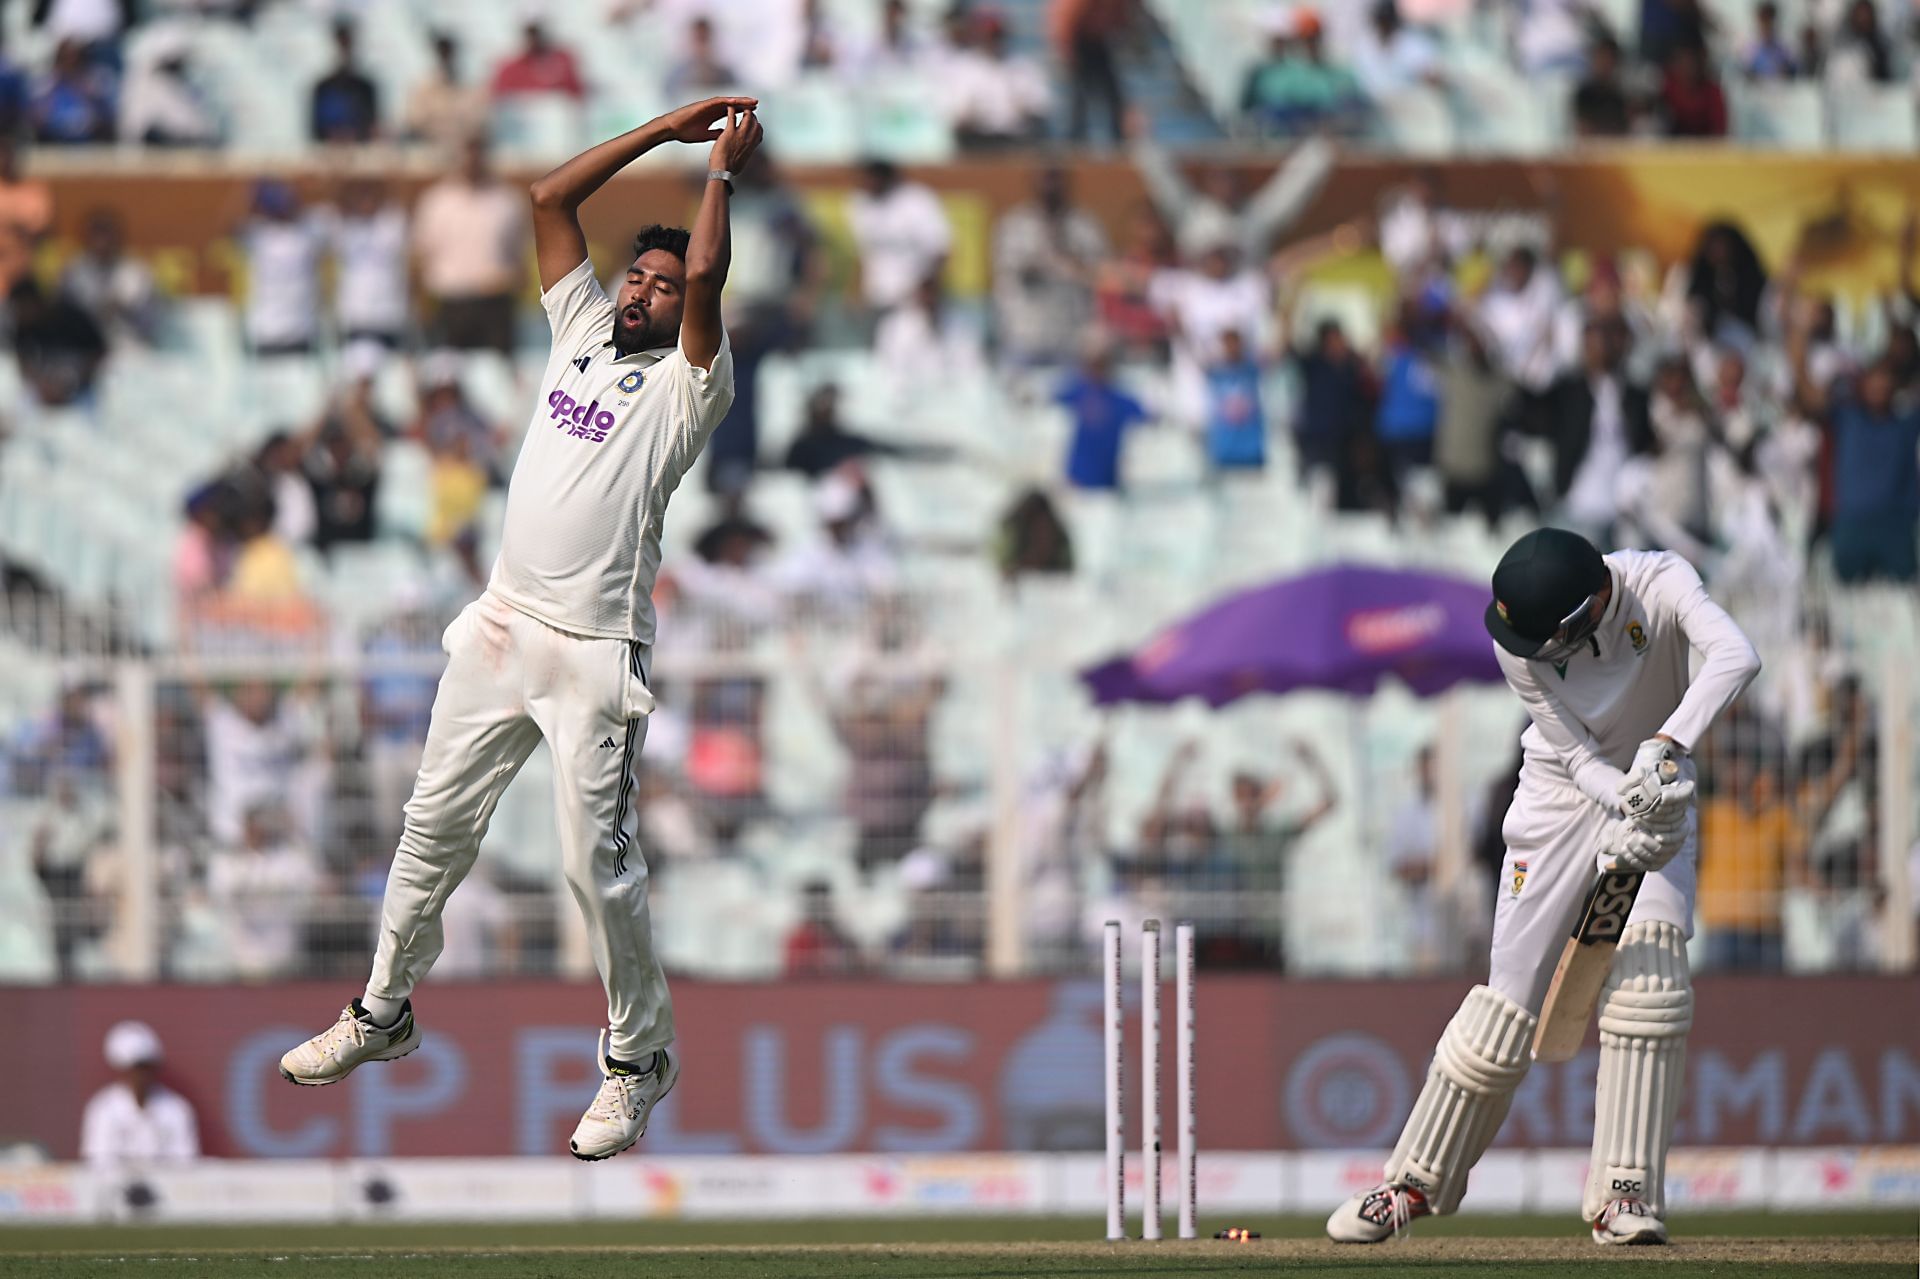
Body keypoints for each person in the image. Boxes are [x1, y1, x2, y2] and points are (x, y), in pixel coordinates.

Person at [278, 97, 763, 1167]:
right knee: (430, 825)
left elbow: (709, 276)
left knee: (596, 864)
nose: (643, 290)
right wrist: (663, 128)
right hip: (502, 619)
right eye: (637, 276)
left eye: (663, 287)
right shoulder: (581, 328)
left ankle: (637, 1060)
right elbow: (548, 198)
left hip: (594, 649)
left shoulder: (692, 384)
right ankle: (381, 1009)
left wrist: (717, 174)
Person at [1327, 527, 1760, 1248]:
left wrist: (1664, 753)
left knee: (1651, 982)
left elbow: (1736, 656)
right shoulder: (1518, 646)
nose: (1534, 651)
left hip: (1661, 788)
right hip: (1560, 799)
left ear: (1587, 609)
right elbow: (1578, 757)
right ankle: (1413, 1183)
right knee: (1507, 1007)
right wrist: (1627, 796)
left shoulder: (1659, 582)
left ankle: (1624, 1196)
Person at [412, 137, 529, 354]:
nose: (472, 160)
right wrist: (422, 305)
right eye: (468, 153)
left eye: (478, 153)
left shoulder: (507, 200)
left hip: (494, 302)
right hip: (450, 303)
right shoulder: (436, 201)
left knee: (496, 369)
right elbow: (422, 255)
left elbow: (518, 255)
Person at [993, 166, 1108, 366]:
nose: (1050, 185)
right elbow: (1012, 273)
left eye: (1055, 177)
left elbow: (1101, 275)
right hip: (1025, 337)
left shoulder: (1085, 225)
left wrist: (1072, 262)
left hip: (1071, 339)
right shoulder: (1014, 224)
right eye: (1044, 177)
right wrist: (1047, 260)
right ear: (1032, 180)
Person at [80, 1021, 199, 1168]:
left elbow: (186, 1165)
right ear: (121, 1070)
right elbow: (97, 1163)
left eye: (146, 1067)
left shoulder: (176, 1109)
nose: (141, 1076)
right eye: (135, 1069)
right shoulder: (103, 1109)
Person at [846, 160, 950, 318]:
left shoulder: (917, 201)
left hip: (911, 302)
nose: (864, 182)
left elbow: (940, 249)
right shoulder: (859, 202)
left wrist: (927, 288)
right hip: (875, 301)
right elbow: (864, 252)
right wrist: (855, 291)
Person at [327, 177, 410, 349]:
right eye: (361, 199)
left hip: (389, 314)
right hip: (355, 314)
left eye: (371, 199)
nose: (366, 204)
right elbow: (334, 198)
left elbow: (400, 190)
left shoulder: (390, 225)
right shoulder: (344, 228)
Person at [1057, 340, 1149, 490]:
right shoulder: (1077, 392)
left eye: (1101, 364)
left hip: (1107, 481)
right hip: (1077, 480)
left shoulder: (1119, 398)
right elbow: (1044, 401)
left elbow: (1147, 416)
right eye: (1092, 364)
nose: (1096, 370)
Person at [59, 207, 158, 346]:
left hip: (129, 346)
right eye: (96, 235)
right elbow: (63, 317)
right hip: (84, 348)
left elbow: (150, 323)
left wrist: (123, 309)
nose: (102, 242)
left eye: (107, 234)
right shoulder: (73, 272)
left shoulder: (137, 272)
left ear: (118, 238)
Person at [1050, 0, 1130, 144]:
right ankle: (1075, 137)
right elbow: (1065, 23)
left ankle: (1118, 135)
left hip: (1099, 42)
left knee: (1112, 93)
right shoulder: (1077, 4)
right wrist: (1068, 53)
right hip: (1079, 42)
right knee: (1079, 94)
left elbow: (1121, 20)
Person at [405, 32, 489, 151]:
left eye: (450, 54)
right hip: (431, 148)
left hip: (462, 149)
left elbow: (477, 124)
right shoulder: (423, 89)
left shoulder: (470, 90)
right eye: (443, 55)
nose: (447, 60)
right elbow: (415, 122)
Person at [310, 20, 379, 143]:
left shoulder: (365, 88)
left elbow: (372, 127)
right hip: (328, 151)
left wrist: (353, 135)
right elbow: (316, 131)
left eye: (347, 44)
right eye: (341, 44)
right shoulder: (322, 88)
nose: (343, 51)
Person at [491, 21, 587, 101]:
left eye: (537, 33)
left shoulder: (563, 61)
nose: (535, 39)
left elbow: (576, 94)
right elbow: (500, 98)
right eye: (531, 34)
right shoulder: (510, 68)